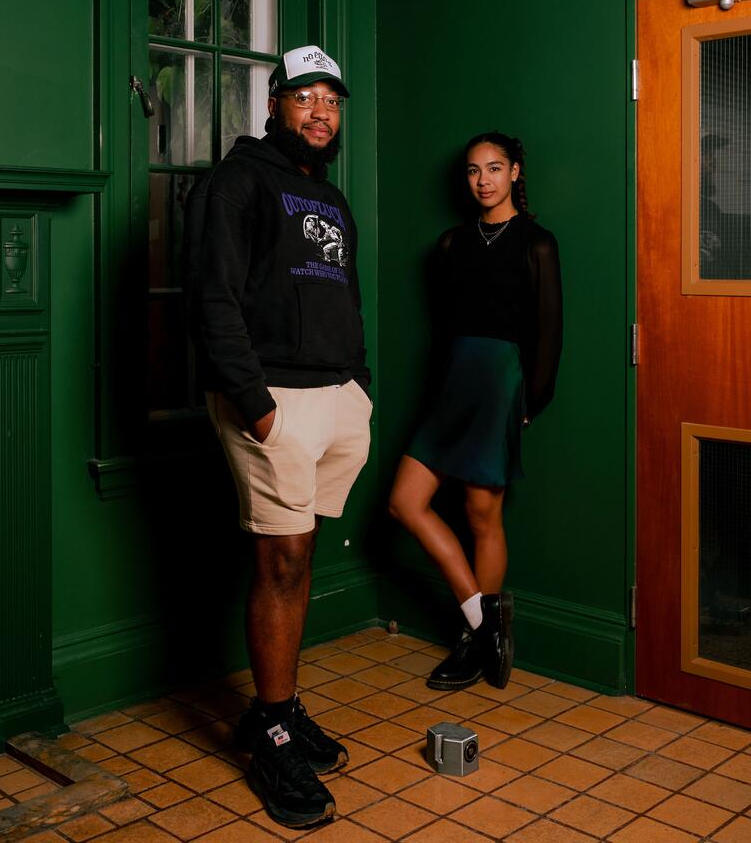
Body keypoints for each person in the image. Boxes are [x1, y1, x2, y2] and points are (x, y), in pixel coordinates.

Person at [185, 45, 371, 829]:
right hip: (273, 402)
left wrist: (359, 386)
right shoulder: (239, 181)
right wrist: (255, 402)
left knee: (299, 552)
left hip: (337, 399)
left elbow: (342, 295)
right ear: (275, 106)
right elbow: (212, 297)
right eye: (305, 97)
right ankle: (270, 733)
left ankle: (279, 709)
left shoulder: (328, 198)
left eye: (331, 98)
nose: (320, 111)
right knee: (281, 556)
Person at [389, 131, 561, 692]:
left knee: (480, 513)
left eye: (494, 168)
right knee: (404, 503)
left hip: (500, 383)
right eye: (472, 170)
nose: (483, 179)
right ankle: (485, 625)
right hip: (452, 383)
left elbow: (548, 334)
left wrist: (527, 403)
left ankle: (470, 639)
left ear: (516, 172)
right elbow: (444, 330)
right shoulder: (449, 244)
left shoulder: (537, 242)